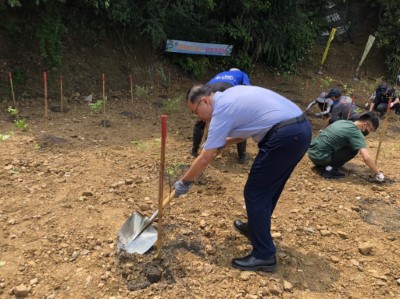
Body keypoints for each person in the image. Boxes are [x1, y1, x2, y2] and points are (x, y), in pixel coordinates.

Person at [174, 84, 312, 272]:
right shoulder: (229, 96)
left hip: (285, 136)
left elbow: (205, 157)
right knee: (268, 188)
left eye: (195, 112)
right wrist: (221, 143)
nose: (197, 117)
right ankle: (256, 229)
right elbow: (246, 132)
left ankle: (264, 255)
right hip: (299, 130)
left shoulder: (221, 110)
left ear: (204, 101)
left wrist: (185, 181)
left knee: (255, 192)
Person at [189, 68, 251, 164]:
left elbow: (205, 87)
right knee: (240, 123)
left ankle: (194, 150)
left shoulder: (221, 73)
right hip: (227, 90)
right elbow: (246, 89)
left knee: (201, 118)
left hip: (209, 90)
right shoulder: (242, 74)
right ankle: (242, 155)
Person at [307, 112, 384, 181]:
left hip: (312, 153)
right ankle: (328, 169)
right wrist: (378, 173)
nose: (369, 132)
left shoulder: (343, 122)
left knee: (349, 144)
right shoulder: (356, 132)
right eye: (370, 130)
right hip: (320, 158)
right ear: (365, 125)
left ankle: (327, 165)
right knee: (352, 149)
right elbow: (366, 157)